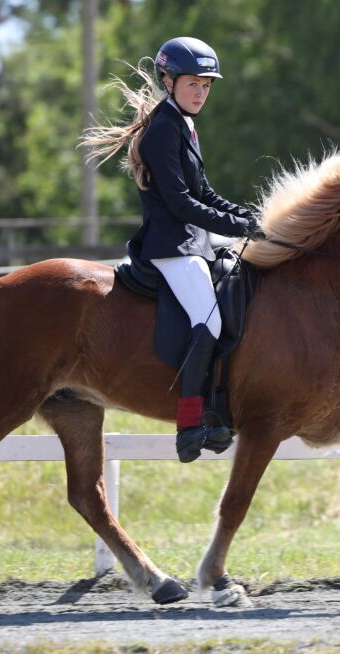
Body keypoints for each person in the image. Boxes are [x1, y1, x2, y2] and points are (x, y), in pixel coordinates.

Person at [81, 36, 264, 462]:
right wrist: (234, 225)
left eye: (206, 85)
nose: (200, 92)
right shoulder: (164, 129)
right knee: (210, 322)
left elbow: (204, 192)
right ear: (169, 80)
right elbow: (182, 203)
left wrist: (247, 215)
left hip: (194, 241)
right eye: (192, 84)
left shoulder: (182, 124)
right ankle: (189, 424)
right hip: (172, 247)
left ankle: (219, 411)